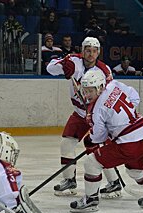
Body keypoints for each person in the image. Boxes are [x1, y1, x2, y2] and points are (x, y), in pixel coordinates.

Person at [69, 69, 143, 212]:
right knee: (136, 171)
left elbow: (98, 138)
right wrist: (119, 122)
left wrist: (93, 140)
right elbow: (134, 97)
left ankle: (90, 200)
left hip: (128, 143)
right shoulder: (114, 85)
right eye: (85, 91)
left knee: (91, 163)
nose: (87, 95)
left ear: (100, 87)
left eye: (90, 91)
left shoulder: (96, 110)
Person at [46, 37, 114, 196]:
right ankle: (69, 180)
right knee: (66, 143)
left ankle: (114, 182)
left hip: (96, 115)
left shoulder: (105, 71)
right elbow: (50, 68)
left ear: (98, 53)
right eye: (88, 50)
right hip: (79, 113)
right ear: (82, 51)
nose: (91, 54)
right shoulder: (73, 61)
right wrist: (63, 66)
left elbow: (110, 95)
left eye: (94, 51)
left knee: (98, 150)